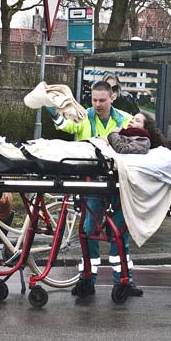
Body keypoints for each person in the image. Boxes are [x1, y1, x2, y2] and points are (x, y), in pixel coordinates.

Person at [46, 80, 142, 296]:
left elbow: (137, 143)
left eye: (101, 100)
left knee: (120, 234)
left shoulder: (125, 120)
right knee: (88, 230)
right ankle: (87, 279)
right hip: (91, 182)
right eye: (94, 100)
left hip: (117, 184)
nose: (97, 104)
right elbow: (66, 125)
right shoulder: (84, 117)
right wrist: (52, 110)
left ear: (112, 98)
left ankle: (124, 281)